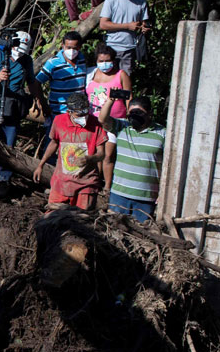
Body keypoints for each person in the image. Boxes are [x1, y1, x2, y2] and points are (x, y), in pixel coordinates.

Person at [0, 30, 37, 197]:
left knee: (8, 144)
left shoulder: (26, 61)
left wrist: (39, 100)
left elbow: (32, 82)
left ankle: (4, 180)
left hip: (13, 105)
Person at [32, 93, 107, 211]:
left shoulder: (96, 124)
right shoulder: (59, 121)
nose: (83, 116)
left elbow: (102, 154)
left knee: (82, 219)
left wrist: (89, 159)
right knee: (52, 217)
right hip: (61, 182)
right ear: (69, 112)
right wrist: (40, 165)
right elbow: (53, 143)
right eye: (79, 114)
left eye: (85, 112)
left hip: (86, 182)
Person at [99, 94, 165, 222]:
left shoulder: (162, 134)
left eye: (139, 113)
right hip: (119, 194)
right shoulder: (123, 127)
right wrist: (111, 100)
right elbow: (102, 119)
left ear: (150, 113)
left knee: (141, 235)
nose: (134, 116)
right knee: (114, 231)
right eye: (131, 113)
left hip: (146, 198)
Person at [85, 44, 131, 191]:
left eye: (107, 60)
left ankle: (108, 186)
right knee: (95, 153)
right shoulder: (90, 74)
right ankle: (96, 182)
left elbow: (128, 96)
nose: (104, 64)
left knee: (108, 155)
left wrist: (130, 113)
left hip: (114, 121)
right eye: (101, 61)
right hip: (93, 120)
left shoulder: (121, 75)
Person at [34, 31, 87, 157]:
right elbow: (37, 82)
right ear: (63, 46)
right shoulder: (54, 63)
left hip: (79, 113)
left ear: (79, 47)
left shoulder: (82, 59)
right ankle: (46, 170)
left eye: (75, 48)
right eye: (69, 47)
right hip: (59, 113)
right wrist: (42, 102)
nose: (72, 51)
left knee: (75, 147)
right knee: (53, 142)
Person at [99, 0, 151, 75]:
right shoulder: (111, 0)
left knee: (125, 81)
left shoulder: (141, 2)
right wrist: (127, 26)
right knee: (110, 80)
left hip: (129, 49)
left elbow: (144, 24)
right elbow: (103, 24)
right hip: (111, 48)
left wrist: (145, 29)